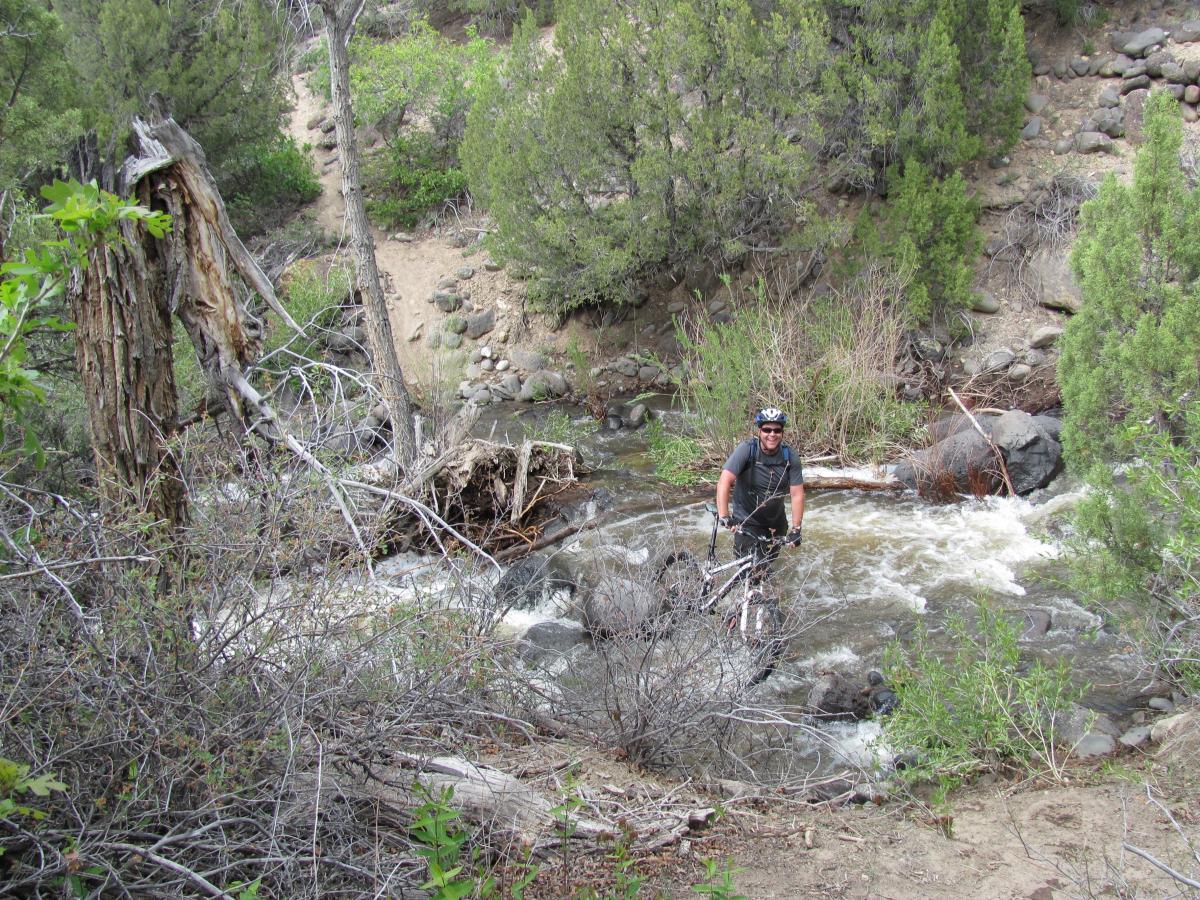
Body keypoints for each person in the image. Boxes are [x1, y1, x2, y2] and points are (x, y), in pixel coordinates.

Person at [714, 407, 805, 580]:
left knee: (766, 569)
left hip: (775, 525)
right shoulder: (747, 450)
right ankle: (746, 603)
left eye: (777, 430)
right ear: (759, 431)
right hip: (746, 521)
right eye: (767, 430)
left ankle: (755, 601)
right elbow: (724, 482)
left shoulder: (790, 457)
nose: (772, 434)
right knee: (752, 574)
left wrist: (796, 529)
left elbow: (797, 494)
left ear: (782, 432)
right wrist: (725, 516)